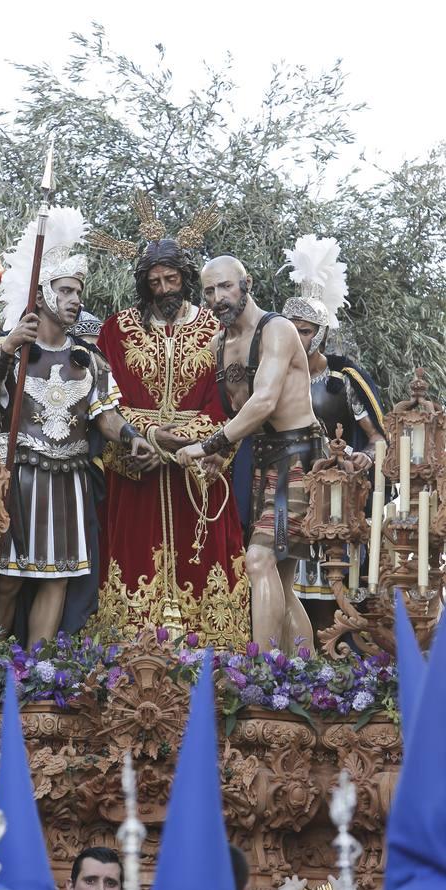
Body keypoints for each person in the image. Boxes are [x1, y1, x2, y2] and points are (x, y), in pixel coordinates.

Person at [0, 208, 153, 646]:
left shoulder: (88, 360)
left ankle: (37, 674)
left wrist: (133, 437)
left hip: (69, 482)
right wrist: (9, 346)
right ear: (43, 292)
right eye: (65, 290)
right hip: (20, 479)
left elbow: (104, 416)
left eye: (78, 292)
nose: (75, 300)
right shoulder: (8, 351)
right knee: (10, 578)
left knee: (57, 579)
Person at [95, 219, 248, 647]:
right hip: (136, 465)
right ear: (144, 285)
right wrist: (143, 435)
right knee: (132, 556)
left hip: (198, 469)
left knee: (204, 564)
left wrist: (194, 441)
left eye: (172, 278)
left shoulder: (217, 330)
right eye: (155, 281)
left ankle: (216, 661)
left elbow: (229, 400)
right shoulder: (116, 329)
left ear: (186, 277)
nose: (164, 289)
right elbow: (104, 399)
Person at [177, 255, 322, 652]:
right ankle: (302, 677)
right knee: (282, 581)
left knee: (259, 560)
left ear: (247, 284)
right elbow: (241, 414)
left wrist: (209, 445)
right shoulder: (218, 344)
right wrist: (222, 457)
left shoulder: (277, 330)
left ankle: (263, 674)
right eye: (209, 291)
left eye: (225, 286)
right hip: (262, 458)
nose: (217, 298)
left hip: (297, 457)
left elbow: (263, 403)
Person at [281, 236, 385, 629]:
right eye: (290, 329)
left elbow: (377, 436)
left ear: (321, 332)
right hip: (285, 490)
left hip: (336, 498)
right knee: (285, 587)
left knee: (332, 602)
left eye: (305, 330)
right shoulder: (273, 377)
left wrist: (366, 457)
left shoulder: (343, 379)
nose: (296, 337)